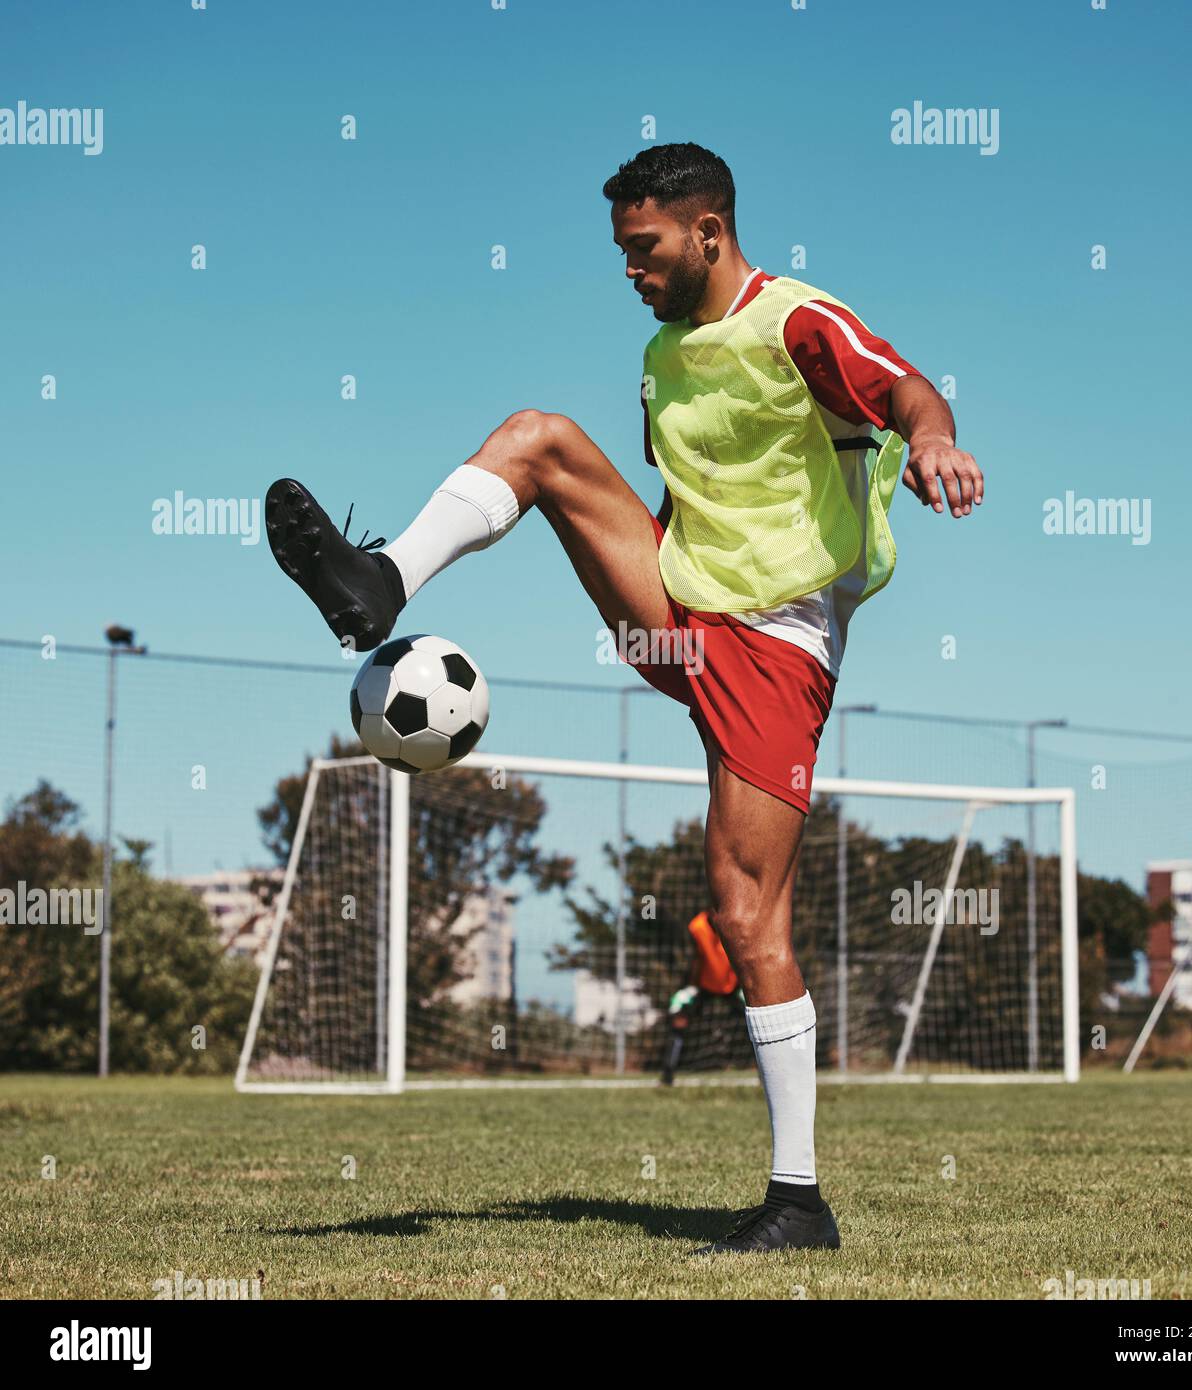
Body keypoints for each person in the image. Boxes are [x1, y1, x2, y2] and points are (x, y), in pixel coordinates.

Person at [264, 142, 982, 1255]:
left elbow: (900, 386)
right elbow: (678, 494)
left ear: (708, 231)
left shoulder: (794, 319)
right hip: (683, 609)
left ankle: (798, 1201)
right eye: (620, 253)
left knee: (746, 914)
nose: (631, 271)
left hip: (777, 639)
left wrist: (931, 438)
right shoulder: (662, 354)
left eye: (643, 249)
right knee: (541, 438)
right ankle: (379, 582)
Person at [661, 909, 744, 1086]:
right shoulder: (697, 927)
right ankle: (667, 1077)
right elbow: (692, 960)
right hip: (702, 986)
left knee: (760, 1019)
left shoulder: (737, 923)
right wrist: (690, 986)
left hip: (733, 986)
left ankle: (767, 1076)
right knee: (678, 1014)